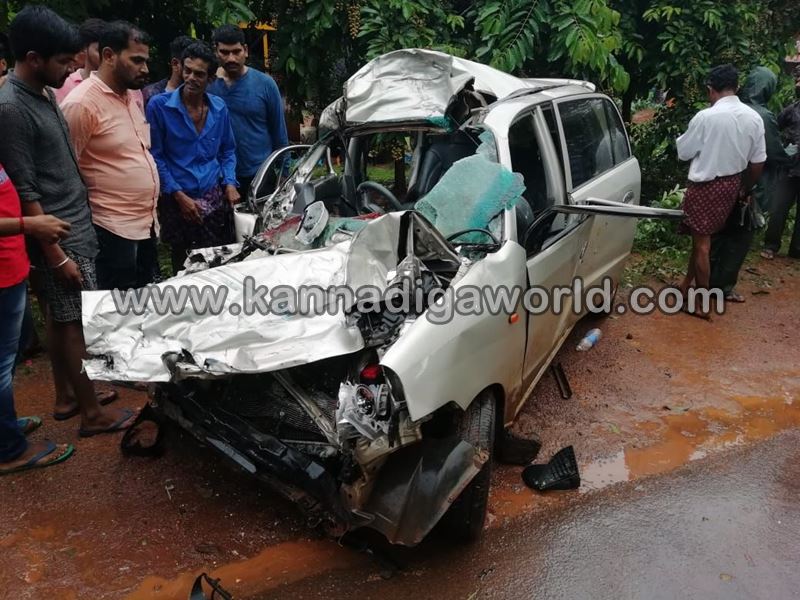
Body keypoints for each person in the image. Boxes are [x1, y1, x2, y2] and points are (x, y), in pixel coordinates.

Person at [0, 6, 136, 435]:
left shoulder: (41, 91)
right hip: (56, 232)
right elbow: (26, 189)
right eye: (63, 61)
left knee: (64, 318)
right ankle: (92, 413)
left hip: (72, 224)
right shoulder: (11, 108)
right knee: (73, 321)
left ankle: (67, 397)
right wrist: (56, 255)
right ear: (33, 58)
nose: (72, 68)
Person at [61, 21, 160, 291]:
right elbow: (66, 173)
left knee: (144, 301)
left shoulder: (131, 96)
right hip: (110, 228)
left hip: (146, 224)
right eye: (137, 60)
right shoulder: (81, 103)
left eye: (146, 61)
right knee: (117, 308)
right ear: (108, 56)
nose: (145, 69)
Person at [0, 163, 76, 475]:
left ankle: (4, 426)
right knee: (1, 365)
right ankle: (9, 450)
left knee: (13, 352)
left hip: (11, 266)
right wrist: (29, 224)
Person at [675, 64, 766, 319]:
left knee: (702, 244)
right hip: (731, 185)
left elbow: (684, 152)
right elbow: (758, 162)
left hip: (705, 187)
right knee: (701, 239)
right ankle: (685, 285)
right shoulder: (753, 118)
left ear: (710, 89)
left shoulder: (706, 117)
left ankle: (701, 304)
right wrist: (744, 188)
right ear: (736, 87)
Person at [146, 41, 239, 274]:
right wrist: (179, 196)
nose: (191, 78)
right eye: (187, 71)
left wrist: (230, 183)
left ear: (210, 79)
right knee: (183, 267)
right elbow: (156, 156)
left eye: (199, 74)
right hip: (177, 200)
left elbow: (227, 150)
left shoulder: (219, 108)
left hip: (213, 198)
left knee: (217, 263)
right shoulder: (159, 107)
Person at [709, 66, 792, 301]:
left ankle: (706, 279)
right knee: (740, 236)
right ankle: (722, 287)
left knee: (716, 233)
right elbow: (772, 154)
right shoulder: (762, 116)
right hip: (749, 184)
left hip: (719, 180)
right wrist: (791, 152)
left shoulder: (725, 109)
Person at [208, 24, 288, 201]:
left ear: (245, 50)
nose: (231, 58)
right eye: (224, 52)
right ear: (216, 52)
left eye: (236, 51)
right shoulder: (208, 86)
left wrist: (285, 174)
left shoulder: (265, 84)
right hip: (219, 177)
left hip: (261, 176)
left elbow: (279, 132)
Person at [761, 65, 800, 260]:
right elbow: (774, 129)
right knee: (778, 208)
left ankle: (796, 251)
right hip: (789, 168)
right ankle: (771, 245)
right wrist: (783, 148)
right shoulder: (791, 110)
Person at [53, 18, 106, 104]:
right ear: (85, 48)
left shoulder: (115, 86)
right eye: (98, 50)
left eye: (108, 51)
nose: (105, 56)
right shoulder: (66, 83)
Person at [142, 34, 193, 108]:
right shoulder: (151, 94)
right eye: (189, 69)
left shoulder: (201, 95)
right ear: (175, 64)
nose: (193, 76)